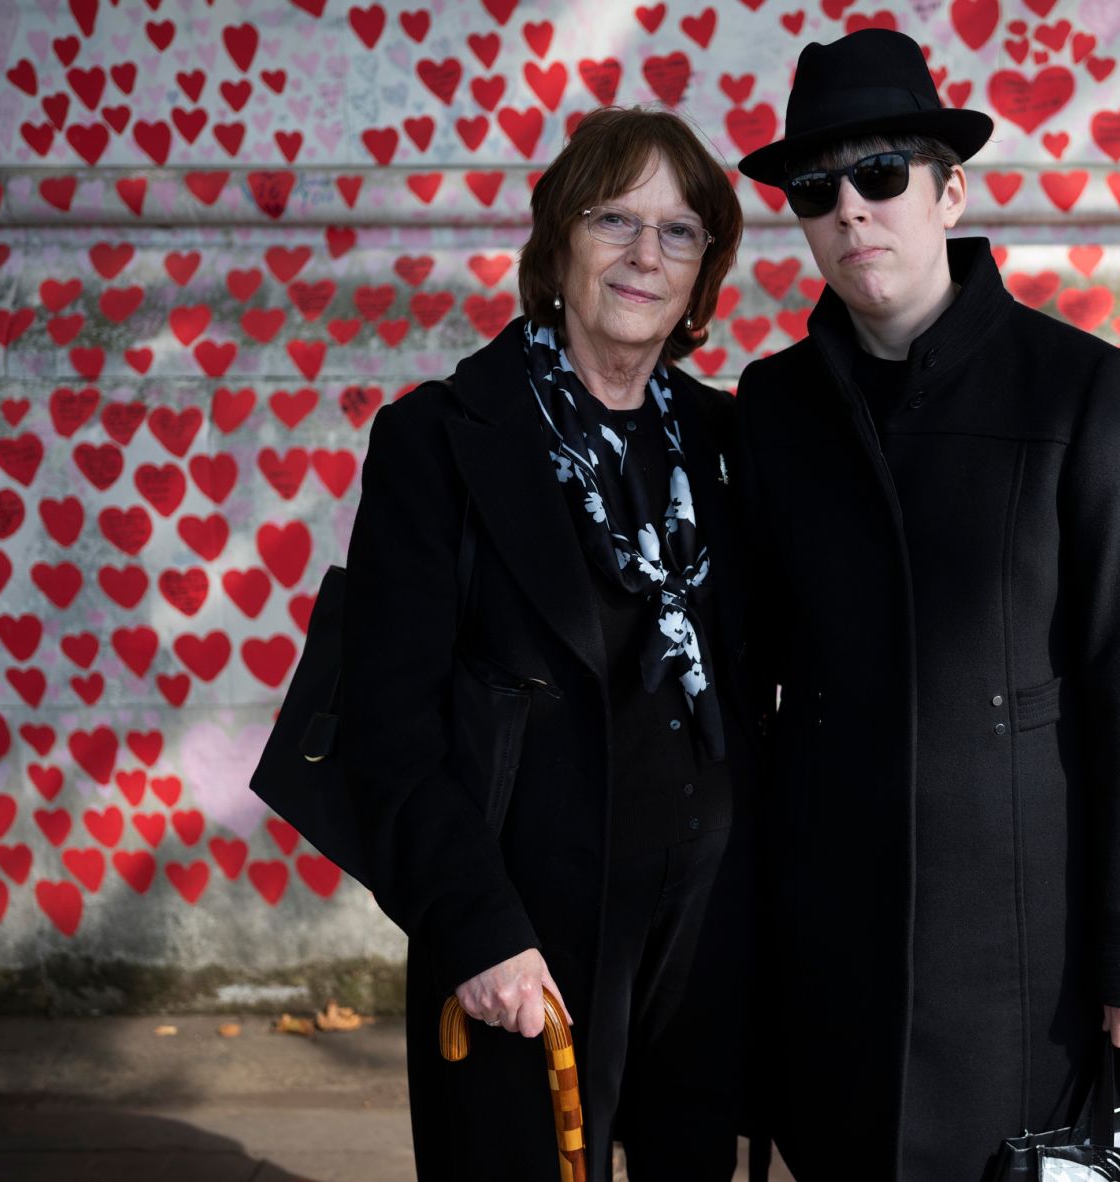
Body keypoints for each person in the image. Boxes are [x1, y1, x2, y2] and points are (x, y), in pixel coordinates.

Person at [734, 29, 1120, 1182]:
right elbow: (749, 677)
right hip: (829, 908)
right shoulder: (773, 404)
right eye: (816, 189)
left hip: (1018, 931)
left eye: (882, 175)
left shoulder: (1077, 384)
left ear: (950, 192)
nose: (851, 210)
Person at [340, 106, 756, 1181]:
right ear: (557, 239)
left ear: (705, 268)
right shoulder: (440, 439)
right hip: (529, 936)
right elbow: (386, 727)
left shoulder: (730, 443)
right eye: (613, 217)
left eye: (679, 230)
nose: (643, 254)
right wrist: (474, 927)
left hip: (708, 936)